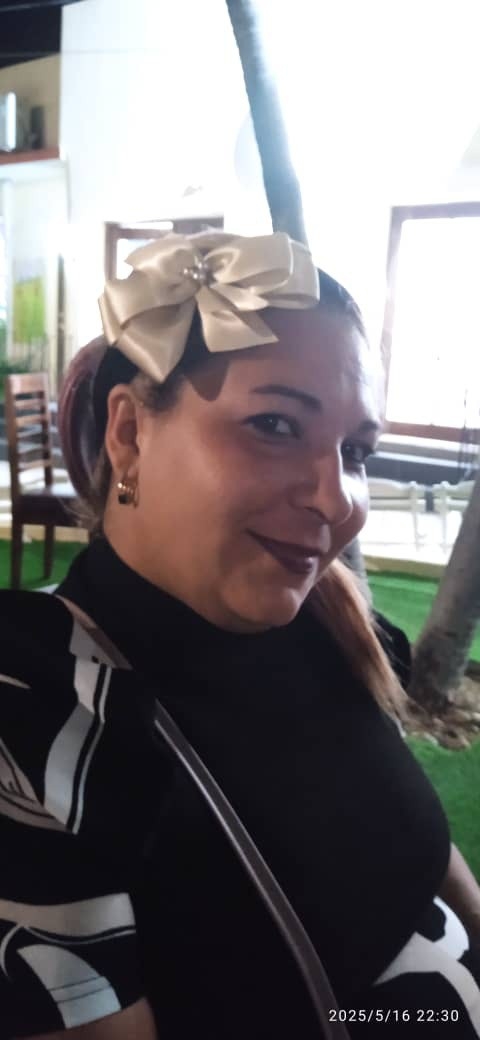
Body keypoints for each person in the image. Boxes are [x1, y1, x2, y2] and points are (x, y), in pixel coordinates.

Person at [0, 230, 479, 1040]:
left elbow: (428, 852)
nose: (337, 500)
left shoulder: (327, 621)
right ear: (129, 433)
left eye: (356, 451)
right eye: (276, 424)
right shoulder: (42, 719)